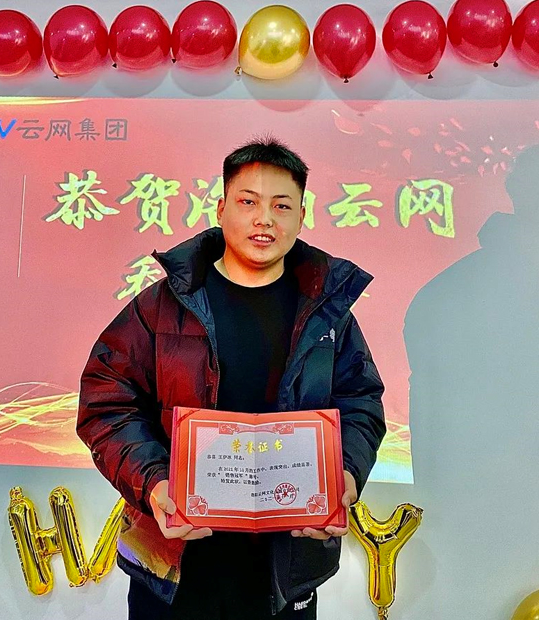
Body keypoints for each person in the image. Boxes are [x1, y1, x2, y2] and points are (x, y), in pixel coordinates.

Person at [77, 137, 386, 620]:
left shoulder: (327, 312)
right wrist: (156, 484)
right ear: (221, 209)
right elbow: (106, 401)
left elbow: (361, 401)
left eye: (282, 206)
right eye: (248, 202)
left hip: (287, 565)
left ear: (301, 216)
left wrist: (343, 475)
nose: (265, 219)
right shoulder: (162, 305)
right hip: (175, 562)